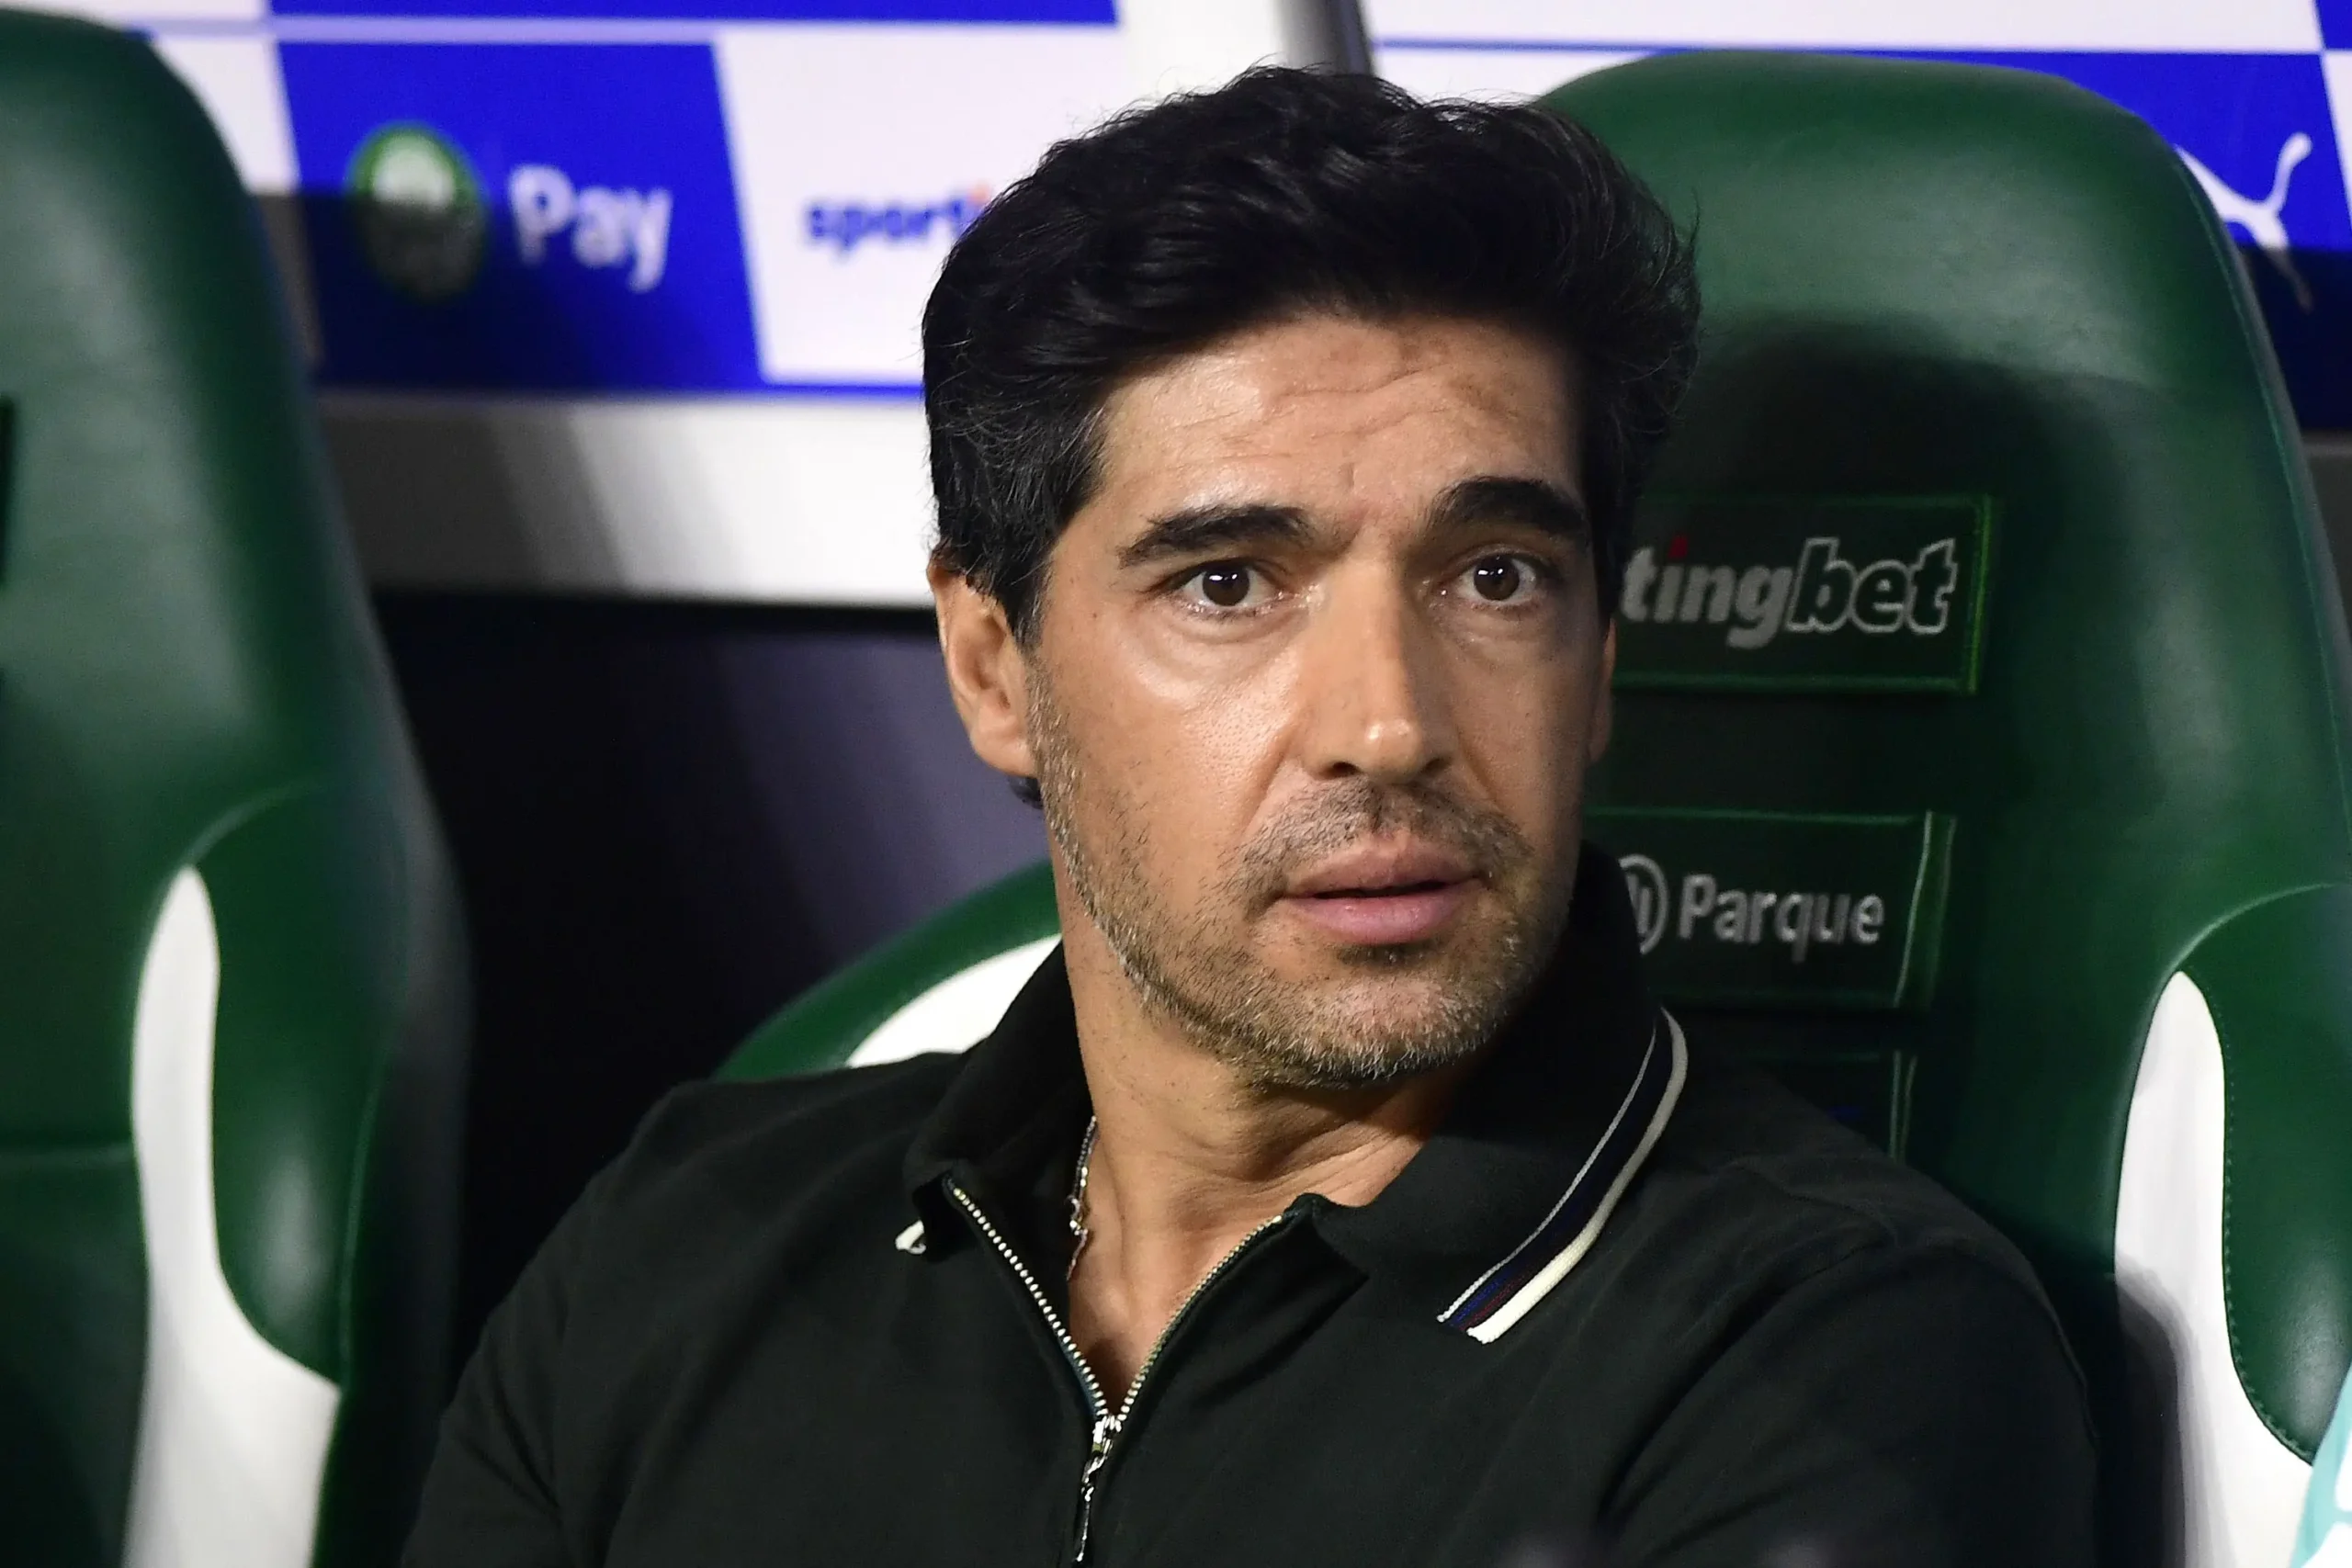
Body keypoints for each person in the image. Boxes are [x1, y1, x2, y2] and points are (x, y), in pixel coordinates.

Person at [402, 68, 2095, 1566]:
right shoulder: (684, 1236)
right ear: (995, 667)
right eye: (1229, 582)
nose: (1389, 725)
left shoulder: (1839, 1351)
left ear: (1598, 662)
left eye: (1497, 575)